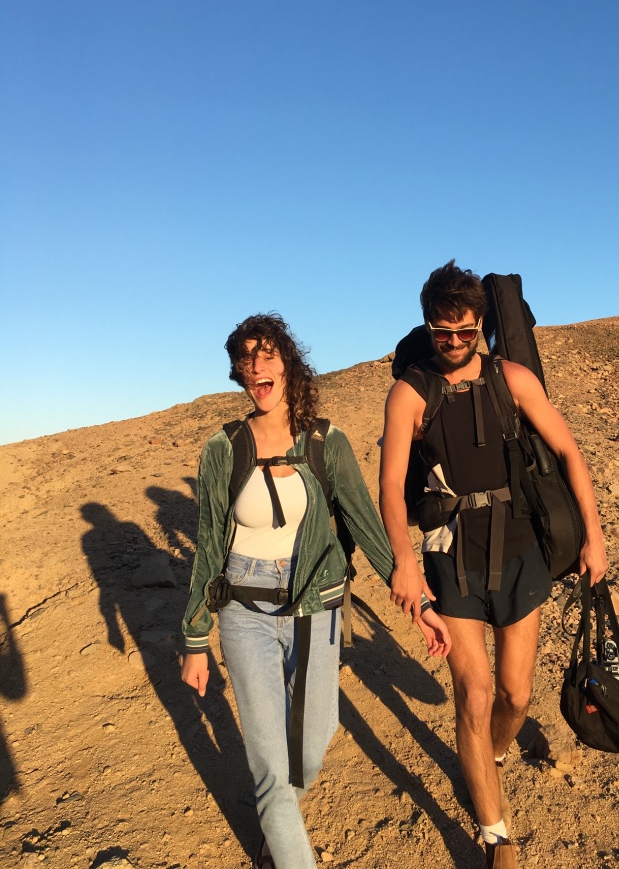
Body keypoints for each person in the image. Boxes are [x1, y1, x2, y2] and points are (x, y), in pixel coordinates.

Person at [181, 313, 451, 869]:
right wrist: (195, 638)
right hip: (244, 610)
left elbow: (366, 527)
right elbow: (208, 548)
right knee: (271, 768)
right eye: (245, 358)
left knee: (311, 743)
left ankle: (277, 827)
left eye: (266, 354)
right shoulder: (223, 449)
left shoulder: (326, 442)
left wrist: (420, 603)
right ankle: (283, 833)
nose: (255, 366)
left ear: (288, 364)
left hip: (317, 604)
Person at [379, 262, 607, 869]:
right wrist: (404, 561)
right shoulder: (410, 393)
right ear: (427, 324)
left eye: (465, 331)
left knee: (515, 693)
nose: (454, 342)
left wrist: (594, 535)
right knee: (475, 695)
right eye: (442, 332)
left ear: (481, 324)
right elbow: (389, 485)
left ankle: (492, 754)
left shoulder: (512, 379)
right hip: (451, 557)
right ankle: (494, 834)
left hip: (518, 548)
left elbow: (568, 450)